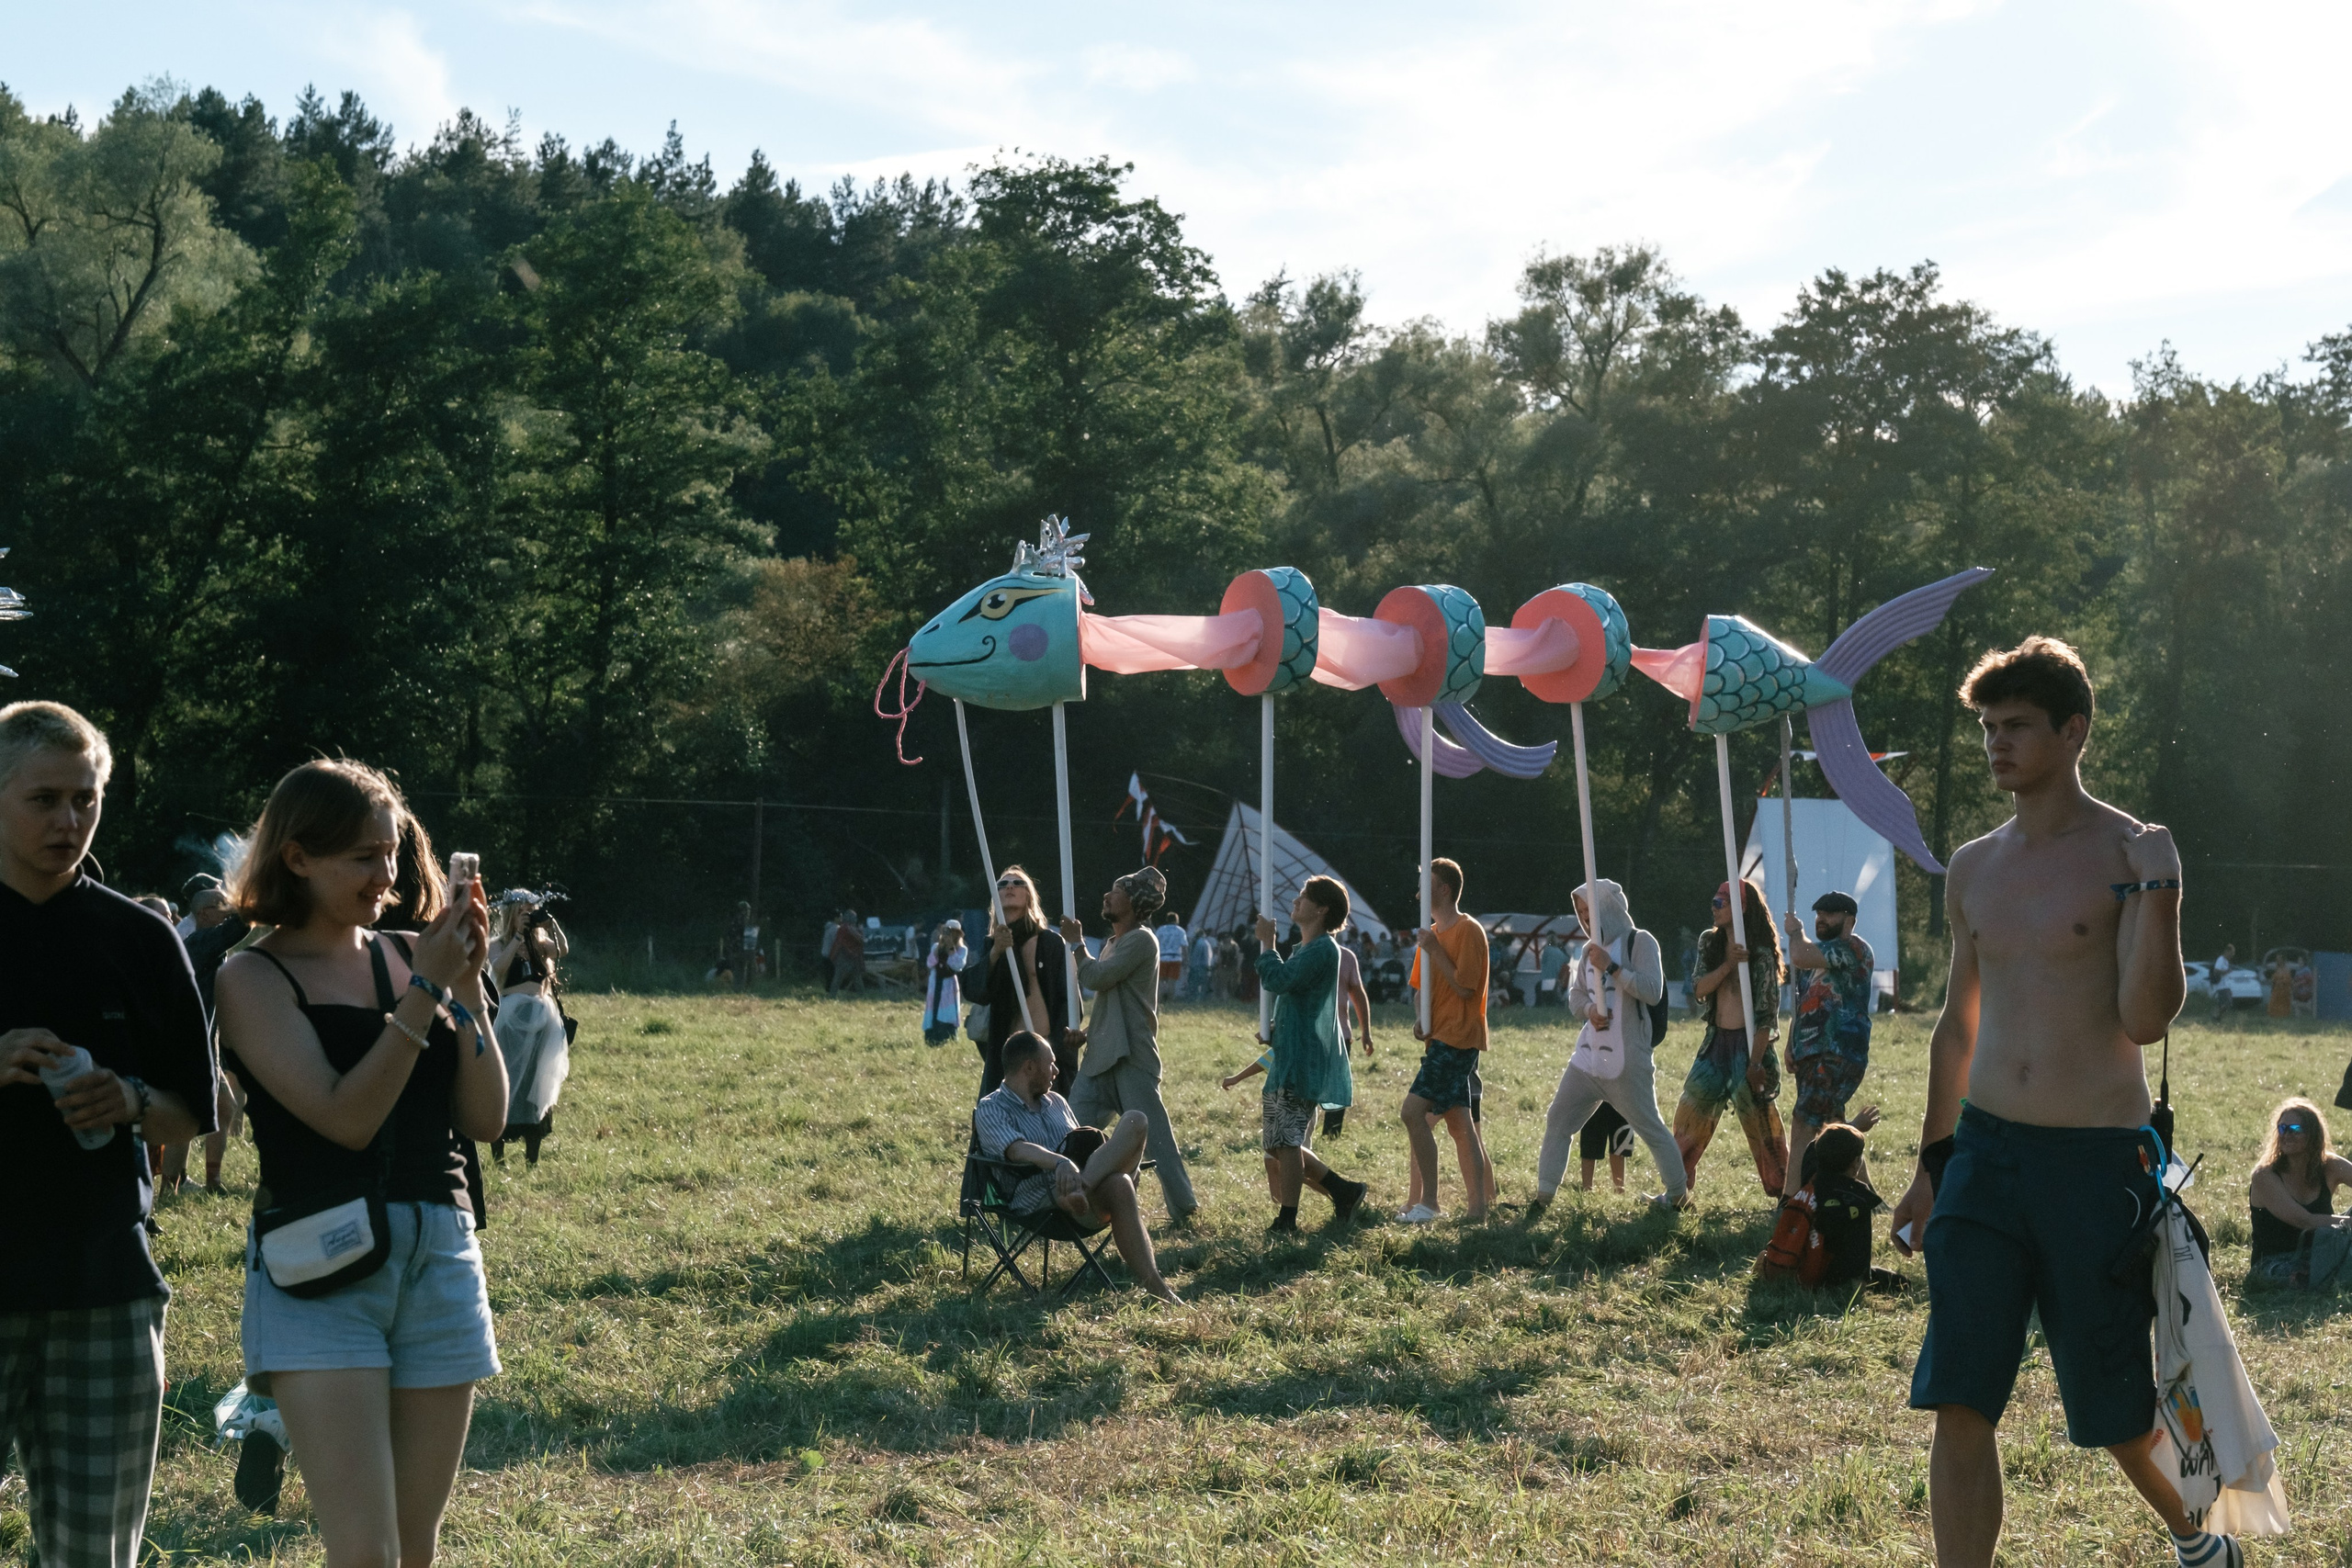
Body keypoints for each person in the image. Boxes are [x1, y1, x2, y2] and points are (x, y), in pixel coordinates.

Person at [1883, 637, 2231, 1568]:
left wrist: (2161, 894)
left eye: (2017, 727)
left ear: (2071, 732)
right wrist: (1931, 1167)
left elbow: (2145, 1020)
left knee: (2113, 1413)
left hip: (2093, 1167)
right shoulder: (1972, 866)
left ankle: (2201, 1543)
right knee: (1959, 1395)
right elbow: (1955, 1028)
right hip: (1984, 1161)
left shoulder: (2127, 854)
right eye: (1988, 727)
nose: (1996, 743)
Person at [213, 760, 507, 1568]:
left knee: (417, 1547)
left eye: (392, 852)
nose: (386, 876)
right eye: (362, 858)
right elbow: (345, 1118)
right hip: (321, 1267)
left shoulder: (415, 952)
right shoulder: (252, 975)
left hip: (441, 1251)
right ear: (298, 858)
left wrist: (471, 991)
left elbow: (486, 1118)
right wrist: (424, 995)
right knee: (365, 1552)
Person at [0, 702, 216, 1568]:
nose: (68, 821)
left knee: (96, 1555)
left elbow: (193, 1110)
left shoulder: (141, 935)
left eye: (85, 799)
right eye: (44, 799)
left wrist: (127, 1097)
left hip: (104, 1285)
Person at [1526, 879, 1690, 1219]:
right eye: (1580, 912)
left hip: (1627, 1061)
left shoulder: (1640, 941)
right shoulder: (1587, 950)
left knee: (1652, 1128)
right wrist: (1590, 1012)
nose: (1585, 919)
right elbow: (1576, 997)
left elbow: (1652, 991)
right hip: (1587, 1059)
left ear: (1609, 908)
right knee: (1558, 1119)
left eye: (1590, 911)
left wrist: (1613, 968)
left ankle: (1679, 1198)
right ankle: (1542, 1199)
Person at [975, 1031, 1180, 1303]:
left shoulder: (1057, 1102)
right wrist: (1061, 1162)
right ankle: (1157, 1287)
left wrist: (1079, 1168)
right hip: (1040, 1200)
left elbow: (1079, 1142)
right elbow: (1016, 1149)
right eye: (1051, 1063)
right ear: (1029, 1067)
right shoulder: (992, 1107)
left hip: (1080, 1191)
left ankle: (1082, 1187)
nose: (1057, 1071)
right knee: (1120, 1183)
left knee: (1136, 1120)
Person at [1058, 867, 1196, 1224]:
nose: (1107, 895)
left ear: (1134, 902)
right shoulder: (1112, 944)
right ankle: (1062, 1203)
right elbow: (1113, 1003)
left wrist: (1076, 945)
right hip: (1100, 1057)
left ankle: (1185, 1209)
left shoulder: (1141, 940)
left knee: (1159, 1143)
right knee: (1069, 1132)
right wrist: (1087, 1033)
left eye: (1117, 890)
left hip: (1132, 1057)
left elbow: (1097, 978)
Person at [1241, 877, 1367, 1233]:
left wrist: (1268, 944)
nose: (1296, 900)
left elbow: (1279, 980)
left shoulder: (1323, 950)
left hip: (1301, 1060)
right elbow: (1300, 999)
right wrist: (1277, 1027)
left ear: (1322, 909)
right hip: (1291, 1053)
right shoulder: (1310, 949)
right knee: (1280, 1142)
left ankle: (1288, 1219)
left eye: (1304, 897)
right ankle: (1344, 1191)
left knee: (1286, 1141)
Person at [1673, 878, 1788, 1198]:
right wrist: (1728, 965)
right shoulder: (1709, 943)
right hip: (1716, 1045)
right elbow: (1699, 989)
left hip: (1749, 1049)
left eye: (1721, 902)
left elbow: (1766, 1016)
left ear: (1740, 909)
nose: (1714, 907)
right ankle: (1676, 1187)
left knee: (1762, 1125)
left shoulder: (1761, 955)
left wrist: (1755, 1062)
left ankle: (1784, 1195)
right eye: (1715, 900)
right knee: (1689, 1114)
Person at [1400, 858, 1494, 1224]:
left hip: (1459, 1038)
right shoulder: (1432, 934)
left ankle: (1430, 1203)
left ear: (1444, 890)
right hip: (1438, 1037)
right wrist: (1420, 1020)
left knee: (1412, 1113)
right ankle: (1477, 1210)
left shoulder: (1468, 931)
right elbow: (1421, 989)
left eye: (1427, 884)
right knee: (1459, 1121)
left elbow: (1465, 987)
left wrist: (1434, 948)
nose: (1419, 892)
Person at [1781, 890, 1876, 1199]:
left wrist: (1796, 933)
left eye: (1830, 914)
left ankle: (1790, 1198)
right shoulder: (1818, 956)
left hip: (1837, 1051)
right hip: (1813, 1050)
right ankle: (1865, 1194)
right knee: (1833, 1123)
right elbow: (1804, 1002)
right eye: (1819, 913)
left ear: (1850, 919)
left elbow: (1798, 955)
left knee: (1804, 1121)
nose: (1821, 918)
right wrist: (1792, 1042)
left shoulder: (1854, 949)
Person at [973, 867, 1072, 1099]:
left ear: (1029, 895)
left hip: (1047, 1048)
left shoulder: (1050, 943)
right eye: (1002, 883)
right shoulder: (992, 945)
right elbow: (976, 990)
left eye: (1018, 883)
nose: (1009, 886)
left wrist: (1064, 1042)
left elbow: (1067, 996)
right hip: (1009, 1055)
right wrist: (996, 952)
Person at [488, 895, 571, 1167]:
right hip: (510, 1018)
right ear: (510, 914)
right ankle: (498, 1156)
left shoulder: (540, 943)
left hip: (542, 1018)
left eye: (530, 911)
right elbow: (497, 967)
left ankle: (531, 1159)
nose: (527, 915)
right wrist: (517, 937)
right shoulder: (498, 944)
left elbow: (562, 951)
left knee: (536, 1081)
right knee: (506, 1080)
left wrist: (551, 925)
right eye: (521, 912)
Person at [2245, 1098, 2352, 1289]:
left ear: (2313, 1135)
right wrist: (2348, 1224)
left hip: (2320, 1251)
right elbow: (2305, 1221)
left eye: (2294, 1129)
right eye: (2281, 1129)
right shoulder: (2264, 1176)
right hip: (2274, 1262)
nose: (2286, 1135)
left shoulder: (2330, 1166)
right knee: (2308, 1275)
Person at [921, 919, 967, 1046]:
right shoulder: (936, 947)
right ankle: (932, 1037)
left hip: (949, 984)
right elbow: (930, 963)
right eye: (947, 931)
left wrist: (951, 948)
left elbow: (958, 966)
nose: (949, 935)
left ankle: (947, 1036)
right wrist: (940, 947)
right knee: (934, 1008)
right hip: (935, 983)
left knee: (948, 1010)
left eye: (953, 932)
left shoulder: (962, 949)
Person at [827, 908, 865, 996]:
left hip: (843, 956)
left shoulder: (843, 928)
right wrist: (861, 930)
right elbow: (861, 940)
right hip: (848, 957)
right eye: (854, 917)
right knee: (854, 977)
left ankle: (832, 995)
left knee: (839, 978)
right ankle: (862, 995)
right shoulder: (847, 928)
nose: (856, 920)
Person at [1155, 910, 1188, 1004]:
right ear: (1176, 920)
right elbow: (1184, 947)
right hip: (1175, 958)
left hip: (1162, 958)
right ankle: (1169, 1002)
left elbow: (1156, 944)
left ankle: (1160, 1002)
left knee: (1161, 983)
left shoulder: (1161, 930)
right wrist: (1186, 959)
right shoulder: (1181, 931)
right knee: (1171, 983)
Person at [2210, 942, 2235, 1024]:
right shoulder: (2220, 959)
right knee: (2227, 1003)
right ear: (2226, 951)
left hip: (2226, 985)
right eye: (2231, 953)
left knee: (2226, 1004)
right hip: (2221, 986)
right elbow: (2216, 971)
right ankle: (2216, 1016)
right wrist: (2226, 971)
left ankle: (2216, 1017)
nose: (2232, 955)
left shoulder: (2226, 962)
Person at [1186, 926, 1215, 1002]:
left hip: (1195, 966)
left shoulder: (1196, 942)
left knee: (1194, 984)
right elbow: (1208, 956)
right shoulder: (1205, 943)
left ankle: (1193, 999)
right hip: (1202, 966)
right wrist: (1209, 967)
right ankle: (1200, 999)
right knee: (1202, 984)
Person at [2267, 956, 2292, 1021]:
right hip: (2276, 989)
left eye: (2280, 959)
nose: (2278, 961)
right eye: (2277, 960)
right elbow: (2274, 979)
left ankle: (2283, 1015)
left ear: (2283, 960)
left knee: (2282, 1002)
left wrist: (2281, 982)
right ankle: (2274, 1015)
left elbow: (2288, 980)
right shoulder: (2277, 968)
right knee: (2273, 1002)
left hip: (2284, 989)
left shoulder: (2286, 969)